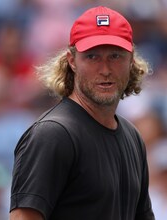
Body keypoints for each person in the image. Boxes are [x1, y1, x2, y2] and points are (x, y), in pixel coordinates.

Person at [10, 6, 155, 220]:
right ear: (72, 61)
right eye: (92, 57)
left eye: (115, 56)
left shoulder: (132, 137)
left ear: (131, 60)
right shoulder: (52, 134)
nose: (105, 69)